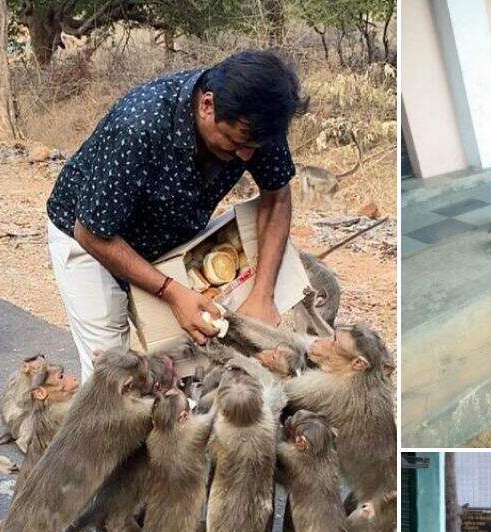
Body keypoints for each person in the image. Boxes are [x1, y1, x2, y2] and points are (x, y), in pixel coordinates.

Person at [46, 50, 307, 378]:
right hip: (91, 239)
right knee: (113, 374)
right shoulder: (138, 125)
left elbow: (277, 198)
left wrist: (262, 295)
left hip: (170, 238)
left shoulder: (257, 122)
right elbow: (92, 232)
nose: (245, 155)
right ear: (207, 105)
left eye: (253, 147)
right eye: (234, 142)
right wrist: (171, 291)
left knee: (184, 361)